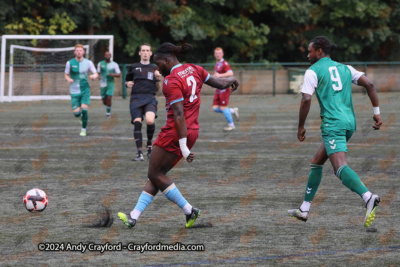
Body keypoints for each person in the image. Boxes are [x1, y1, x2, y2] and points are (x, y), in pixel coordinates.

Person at [118, 42, 239, 229]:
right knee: (158, 175)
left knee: (154, 173)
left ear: (167, 60)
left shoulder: (171, 81)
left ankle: (189, 210)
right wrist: (231, 80)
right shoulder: (195, 69)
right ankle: (134, 216)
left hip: (176, 131)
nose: (158, 70)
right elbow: (220, 82)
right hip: (192, 131)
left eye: (159, 65)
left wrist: (183, 147)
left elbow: (179, 114)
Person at [288, 36, 383, 227]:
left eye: (310, 51)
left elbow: (306, 99)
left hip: (333, 124)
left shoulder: (312, 71)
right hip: (349, 123)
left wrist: (300, 126)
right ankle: (304, 209)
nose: (308, 55)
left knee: (339, 168)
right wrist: (376, 113)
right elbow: (370, 85)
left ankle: (368, 197)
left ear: (320, 51)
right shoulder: (345, 68)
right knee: (316, 162)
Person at [125, 43, 162, 161]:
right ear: (140, 53)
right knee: (137, 123)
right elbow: (127, 81)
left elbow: (158, 89)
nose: (145, 52)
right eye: (143, 50)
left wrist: (157, 79)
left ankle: (149, 145)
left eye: (147, 50)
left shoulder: (155, 68)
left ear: (151, 53)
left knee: (150, 121)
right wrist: (128, 84)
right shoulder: (133, 66)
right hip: (136, 98)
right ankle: (139, 153)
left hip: (150, 98)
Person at [64, 44, 98, 136]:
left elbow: (95, 73)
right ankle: (80, 117)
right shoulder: (69, 63)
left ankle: (83, 130)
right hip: (74, 91)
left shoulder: (89, 63)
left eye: (80, 50)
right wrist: (68, 79)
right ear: (74, 52)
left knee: (84, 109)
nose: (79, 52)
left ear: (83, 52)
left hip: (85, 89)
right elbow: (66, 74)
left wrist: (93, 76)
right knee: (76, 114)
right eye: (77, 50)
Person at [212, 47, 239, 131]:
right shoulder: (217, 64)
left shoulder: (224, 63)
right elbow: (216, 76)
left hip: (224, 89)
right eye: (216, 53)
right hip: (218, 89)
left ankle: (231, 125)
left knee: (223, 108)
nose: (218, 55)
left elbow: (230, 73)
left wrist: (219, 76)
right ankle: (232, 111)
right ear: (214, 54)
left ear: (222, 54)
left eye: (219, 53)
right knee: (215, 108)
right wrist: (213, 83)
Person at [97, 51, 121, 118]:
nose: (107, 56)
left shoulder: (114, 64)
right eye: (106, 55)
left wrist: (113, 74)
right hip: (103, 83)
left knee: (109, 98)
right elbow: (98, 72)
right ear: (104, 56)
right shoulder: (100, 63)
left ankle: (108, 113)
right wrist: (99, 76)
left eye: (109, 55)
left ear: (110, 56)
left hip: (110, 83)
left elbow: (119, 74)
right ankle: (108, 105)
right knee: (104, 101)